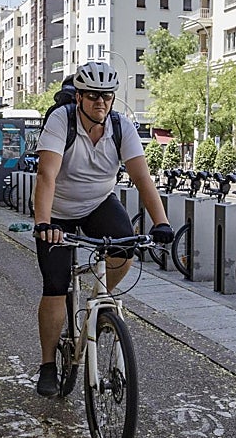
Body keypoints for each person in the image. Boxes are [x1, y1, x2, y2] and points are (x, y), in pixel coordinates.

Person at [31, 62, 174, 396]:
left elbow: (142, 177)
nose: (101, 103)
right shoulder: (60, 121)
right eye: (93, 96)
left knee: (126, 246)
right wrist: (43, 223)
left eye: (107, 97)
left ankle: (100, 298)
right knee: (55, 286)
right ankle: (48, 364)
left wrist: (162, 222)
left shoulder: (120, 127)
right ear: (78, 97)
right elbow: (46, 175)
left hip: (98, 203)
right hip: (58, 211)